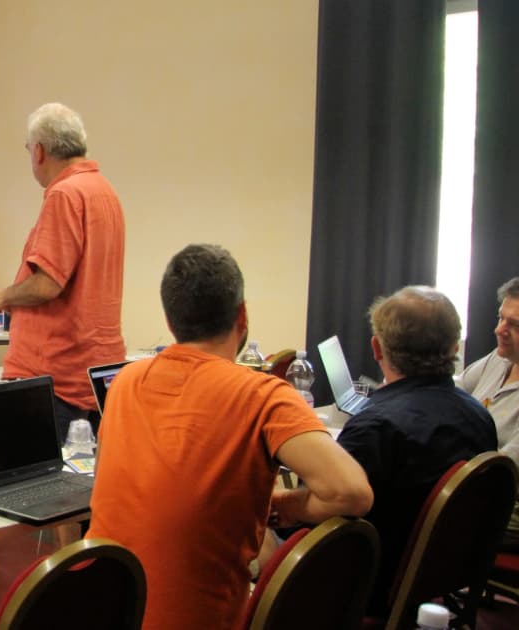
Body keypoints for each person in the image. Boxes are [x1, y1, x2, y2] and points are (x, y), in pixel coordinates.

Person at [87, 244, 373, 630]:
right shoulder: (262, 395)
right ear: (242, 315)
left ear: (171, 322)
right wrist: (286, 504)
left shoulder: (124, 383)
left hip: (104, 610)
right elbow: (351, 492)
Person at [334, 286, 498, 615]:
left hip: (366, 586)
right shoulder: (479, 417)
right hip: (437, 577)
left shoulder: (374, 429)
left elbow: (326, 518)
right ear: (454, 347)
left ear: (377, 348)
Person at [0, 102, 126, 443]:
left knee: (40, 487)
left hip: (55, 374)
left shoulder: (64, 194)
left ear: (38, 152)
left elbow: (49, 284)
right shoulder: (104, 190)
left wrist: (4, 296)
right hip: (94, 371)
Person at [461, 277, 519, 550]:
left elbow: (502, 473)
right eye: (501, 318)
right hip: (474, 486)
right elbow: (453, 388)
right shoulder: (500, 359)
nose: (499, 330)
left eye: (514, 325)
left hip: (505, 508)